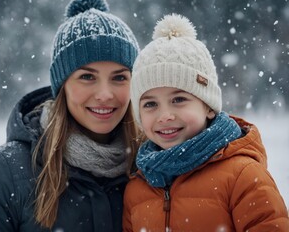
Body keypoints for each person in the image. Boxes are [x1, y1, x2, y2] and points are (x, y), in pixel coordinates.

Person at [0, 0, 141, 231]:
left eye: (120, 77)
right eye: (87, 77)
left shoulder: (150, 166)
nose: (105, 94)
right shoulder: (4, 171)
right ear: (62, 87)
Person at [123, 14, 289, 231]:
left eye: (179, 99)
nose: (164, 115)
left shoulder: (243, 177)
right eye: (150, 104)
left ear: (209, 107)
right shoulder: (137, 188)